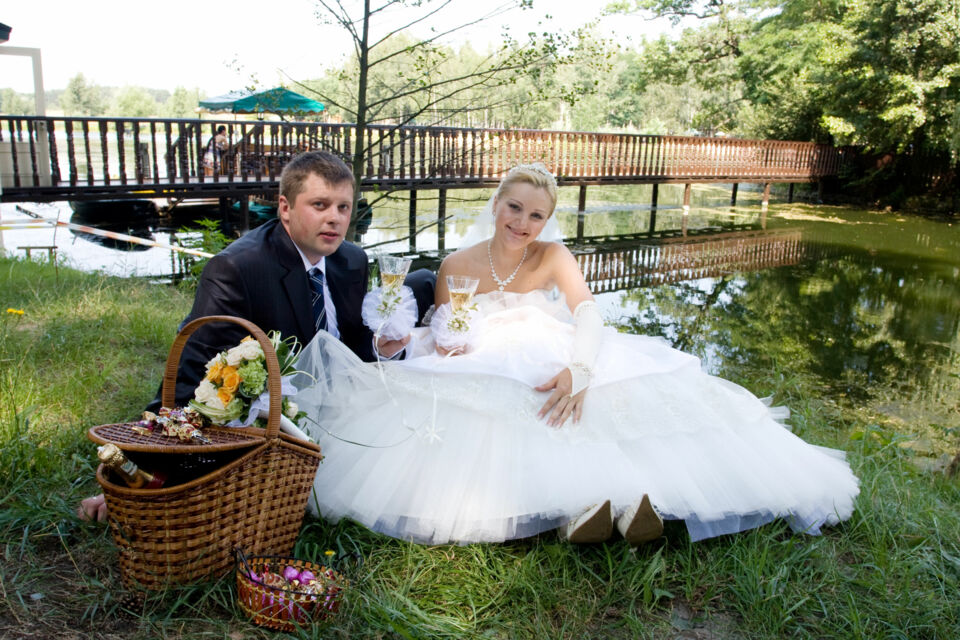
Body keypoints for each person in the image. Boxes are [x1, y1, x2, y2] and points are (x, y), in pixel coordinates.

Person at [291, 163, 860, 546]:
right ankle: (580, 510)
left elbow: (587, 314)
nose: (522, 224)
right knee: (485, 396)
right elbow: (448, 330)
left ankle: (630, 505)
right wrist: (424, 342)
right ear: (496, 204)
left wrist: (581, 368)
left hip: (553, 347)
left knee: (595, 394)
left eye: (536, 215)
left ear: (548, 219)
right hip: (483, 353)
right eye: (514, 208)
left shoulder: (555, 255)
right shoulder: (456, 266)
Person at [78, 150, 436, 521]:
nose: (335, 218)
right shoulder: (237, 268)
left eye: (344, 207)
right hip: (278, 419)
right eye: (319, 204)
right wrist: (143, 469)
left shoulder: (351, 260)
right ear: (285, 207)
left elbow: (351, 346)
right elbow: (193, 370)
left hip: (342, 399)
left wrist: (385, 349)